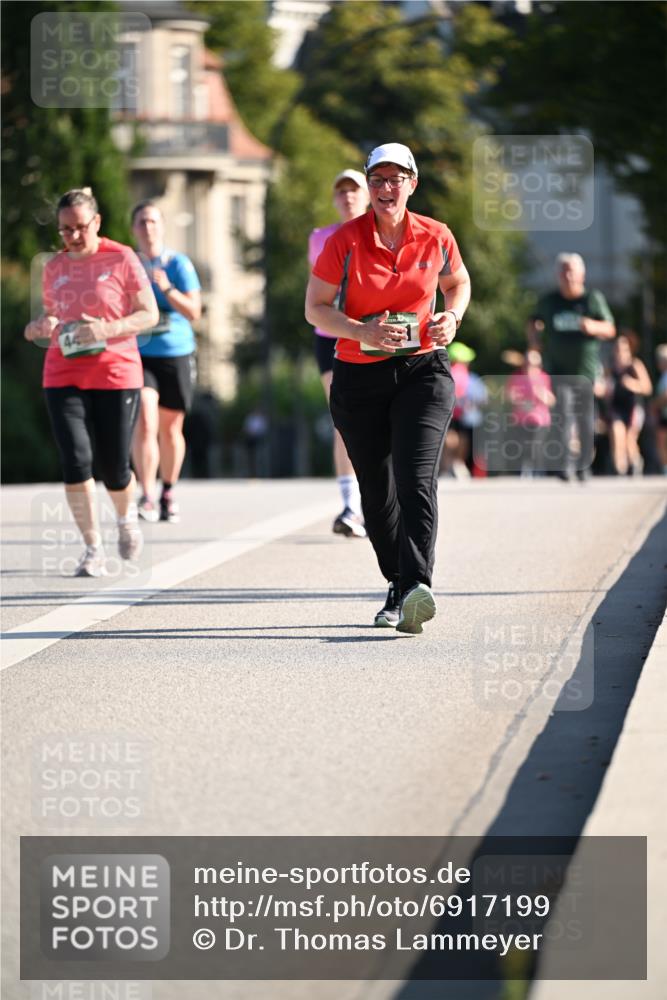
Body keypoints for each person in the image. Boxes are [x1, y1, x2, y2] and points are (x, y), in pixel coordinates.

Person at [305, 142, 471, 634]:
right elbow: (315, 308)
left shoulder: (436, 235)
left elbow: (458, 282)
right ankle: (398, 584)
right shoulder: (346, 240)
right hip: (359, 375)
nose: (385, 188)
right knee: (376, 494)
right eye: (376, 179)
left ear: (412, 184)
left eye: (396, 179)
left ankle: (418, 584)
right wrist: (363, 331)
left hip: (422, 370)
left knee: (415, 477)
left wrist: (452, 317)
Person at [24, 187, 159, 577]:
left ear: (96, 222)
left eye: (80, 228)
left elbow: (148, 314)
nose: (72, 237)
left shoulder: (121, 257)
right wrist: (40, 327)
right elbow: (49, 322)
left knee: (115, 466)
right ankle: (92, 548)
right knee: (76, 460)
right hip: (62, 373)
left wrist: (108, 328)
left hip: (116, 373)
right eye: (65, 230)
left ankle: (126, 517)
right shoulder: (54, 267)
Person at [130, 201, 202, 523]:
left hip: (176, 352)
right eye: (142, 222)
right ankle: (146, 494)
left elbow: (194, 312)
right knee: (145, 418)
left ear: (162, 226)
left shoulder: (178, 264)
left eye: (153, 222)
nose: (148, 228)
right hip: (140, 354)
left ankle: (168, 491)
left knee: (171, 429)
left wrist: (166, 288)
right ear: (134, 228)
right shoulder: (127, 264)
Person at [308, 170, 369, 538]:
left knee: (377, 419)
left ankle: (378, 498)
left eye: (353, 189)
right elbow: (316, 289)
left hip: (373, 332)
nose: (347, 196)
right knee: (342, 419)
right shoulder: (319, 237)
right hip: (330, 334)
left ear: (367, 196)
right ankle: (350, 506)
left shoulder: (379, 233)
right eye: (341, 190)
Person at [527, 253, 615, 481]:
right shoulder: (550, 301)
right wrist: (535, 342)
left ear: (582, 275)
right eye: (563, 271)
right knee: (563, 415)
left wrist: (593, 326)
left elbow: (610, 329)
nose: (568, 276)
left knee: (585, 420)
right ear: (558, 275)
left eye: (572, 271)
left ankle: (583, 465)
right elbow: (533, 320)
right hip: (558, 369)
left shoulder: (591, 300)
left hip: (585, 372)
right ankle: (565, 465)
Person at [606, 334, 652, 475]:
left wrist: (632, 384)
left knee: (629, 439)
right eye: (618, 348)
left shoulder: (635, 365)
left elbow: (647, 388)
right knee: (616, 433)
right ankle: (620, 468)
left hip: (633, 408)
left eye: (623, 348)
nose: (620, 351)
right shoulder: (610, 367)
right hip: (617, 407)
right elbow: (605, 387)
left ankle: (635, 462)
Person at [506, 349, 555, 477]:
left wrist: (540, 393)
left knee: (536, 445)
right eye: (528, 363)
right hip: (521, 418)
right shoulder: (517, 377)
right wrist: (519, 400)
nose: (530, 366)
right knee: (522, 446)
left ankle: (538, 470)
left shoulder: (544, 377)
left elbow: (551, 400)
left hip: (540, 420)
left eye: (534, 364)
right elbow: (510, 396)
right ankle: (524, 469)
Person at [441, 341, 487, 478]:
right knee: (458, 437)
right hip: (459, 414)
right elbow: (482, 398)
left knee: (453, 437)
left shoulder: (446, 372)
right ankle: (455, 464)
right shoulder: (468, 376)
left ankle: (451, 464)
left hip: (451, 413)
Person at [652, 344, 667, 475]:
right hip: (663, 414)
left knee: (662, 442)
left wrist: (654, 404)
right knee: (661, 442)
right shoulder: (663, 377)